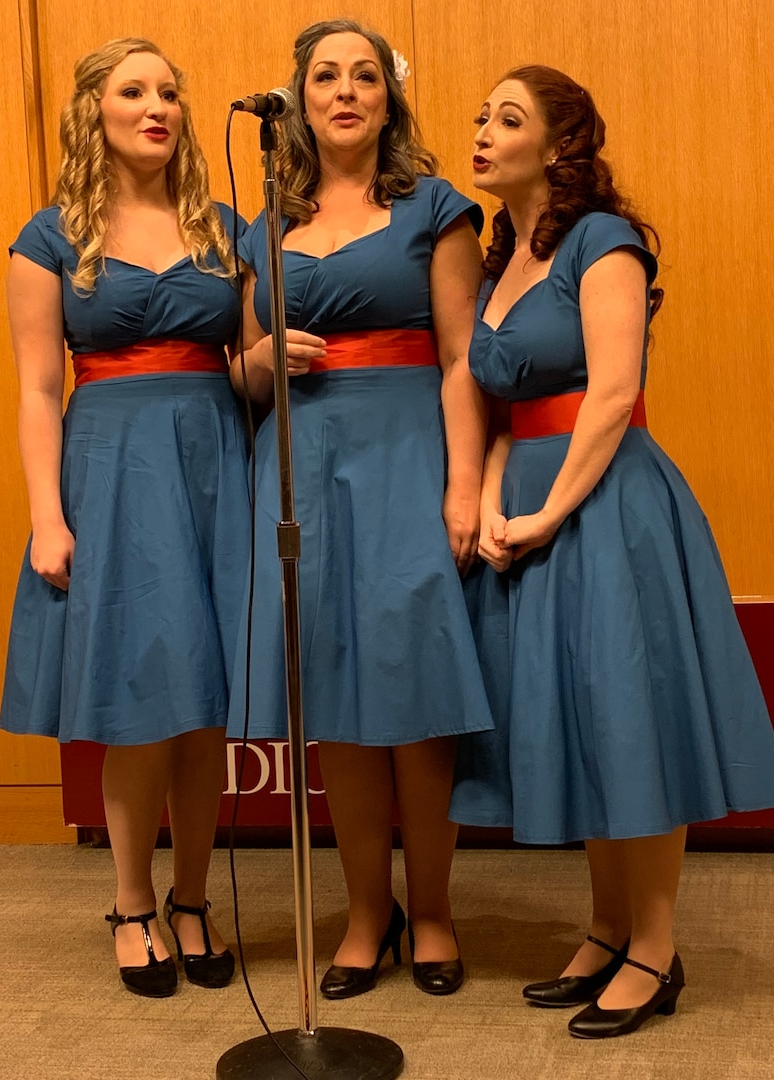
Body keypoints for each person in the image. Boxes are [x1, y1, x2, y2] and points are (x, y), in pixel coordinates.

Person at [450, 64, 774, 1038]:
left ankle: (653, 945)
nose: (481, 131)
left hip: (604, 503)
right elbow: (505, 396)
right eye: (479, 116)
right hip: (527, 506)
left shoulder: (605, 242)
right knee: (581, 718)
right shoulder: (497, 260)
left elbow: (608, 393)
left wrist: (548, 513)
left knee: (627, 713)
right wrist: (485, 499)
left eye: (506, 119)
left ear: (561, 146)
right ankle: (602, 930)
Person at [226, 18, 492, 997]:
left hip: (408, 457)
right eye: (326, 76)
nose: (344, 91)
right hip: (302, 467)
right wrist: (264, 358)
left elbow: (465, 357)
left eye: (364, 76)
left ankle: (429, 913)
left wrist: (462, 485)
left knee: (415, 703)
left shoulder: (434, 208)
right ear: (296, 96)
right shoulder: (266, 221)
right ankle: (363, 915)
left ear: (389, 96)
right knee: (332, 702)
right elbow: (244, 374)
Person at [0, 38, 250, 998]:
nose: (158, 107)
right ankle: (133, 902)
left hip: (213, 465)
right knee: (140, 705)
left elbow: (244, 364)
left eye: (171, 93)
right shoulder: (49, 235)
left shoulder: (224, 225)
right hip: (108, 473)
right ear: (91, 112)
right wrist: (47, 517)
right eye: (134, 91)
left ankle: (194, 899)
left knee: (203, 709)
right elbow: (33, 387)